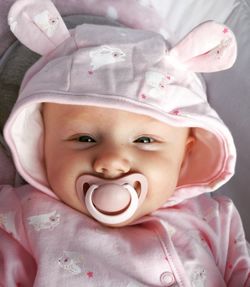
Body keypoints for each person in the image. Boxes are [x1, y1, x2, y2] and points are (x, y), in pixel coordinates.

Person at [0, 0, 249, 286]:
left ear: (185, 152)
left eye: (144, 140)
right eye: (84, 138)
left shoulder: (215, 219)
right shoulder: (17, 217)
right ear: (42, 142)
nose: (111, 160)